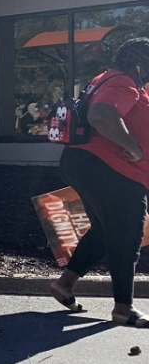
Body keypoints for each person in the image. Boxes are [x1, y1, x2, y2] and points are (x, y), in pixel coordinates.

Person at [49, 38, 149, 327]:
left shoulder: (105, 77)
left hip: (85, 164)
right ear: (140, 64)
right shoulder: (124, 83)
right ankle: (123, 308)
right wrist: (134, 147)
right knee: (127, 236)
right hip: (112, 171)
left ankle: (64, 285)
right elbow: (101, 115)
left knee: (106, 231)